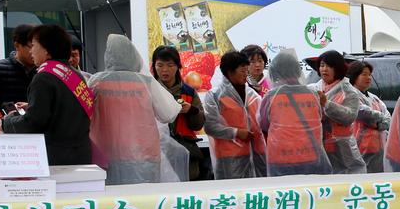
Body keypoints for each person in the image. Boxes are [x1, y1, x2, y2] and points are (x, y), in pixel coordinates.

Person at [88, 35, 184, 185]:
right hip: (143, 157)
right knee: (143, 203)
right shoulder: (145, 82)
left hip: (105, 157)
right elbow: (168, 114)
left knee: (111, 204)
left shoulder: (96, 82)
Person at [2, 25, 92, 165]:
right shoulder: (74, 74)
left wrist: (8, 122)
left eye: (33, 45)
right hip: (81, 155)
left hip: (54, 159)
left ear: (47, 50)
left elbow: (34, 123)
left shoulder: (44, 77)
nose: (31, 51)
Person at [259, 50, 331, 177]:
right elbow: (320, 118)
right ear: (298, 71)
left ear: (275, 72)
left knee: (286, 195)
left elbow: (263, 124)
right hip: (311, 156)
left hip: (281, 159)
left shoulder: (271, 96)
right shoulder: (313, 94)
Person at [204, 51, 267, 180]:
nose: (246, 74)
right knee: (234, 196)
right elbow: (210, 126)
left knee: (258, 194)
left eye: (246, 70)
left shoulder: (252, 94)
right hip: (230, 157)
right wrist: (236, 133)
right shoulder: (215, 95)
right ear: (229, 72)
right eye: (242, 71)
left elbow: (263, 121)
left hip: (257, 155)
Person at [152, 45, 208, 181]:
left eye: (170, 65)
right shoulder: (149, 90)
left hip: (186, 151)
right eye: (160, 65)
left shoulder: (188, 92)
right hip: (158, 152)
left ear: (178, 66)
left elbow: (198, 124)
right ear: (154, 67)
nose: (164, 70)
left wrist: (191, 110)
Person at [311, 50, 366, 175]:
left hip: (342, 148)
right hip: (320, 146)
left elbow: (350, 116)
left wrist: (326, 104)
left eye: (329, 66)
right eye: (322, 65)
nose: (324, 69)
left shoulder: (349, 91)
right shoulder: (313, 88)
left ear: (338, 68)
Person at [347, 60, 391, 173]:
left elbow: (387, 115)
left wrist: (380, 123)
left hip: (378, 148)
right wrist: (381, 120)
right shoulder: (350, 95)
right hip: (361, 146)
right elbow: (363, 113)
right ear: (354, 76)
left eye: (370, 74)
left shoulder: (374, 98)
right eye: (364, 74)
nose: (368, 77)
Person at [0, 23, 36, 107]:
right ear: (17, 45)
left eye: (38, 47)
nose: (35, 51)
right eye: (31, 47)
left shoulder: (44, 70)